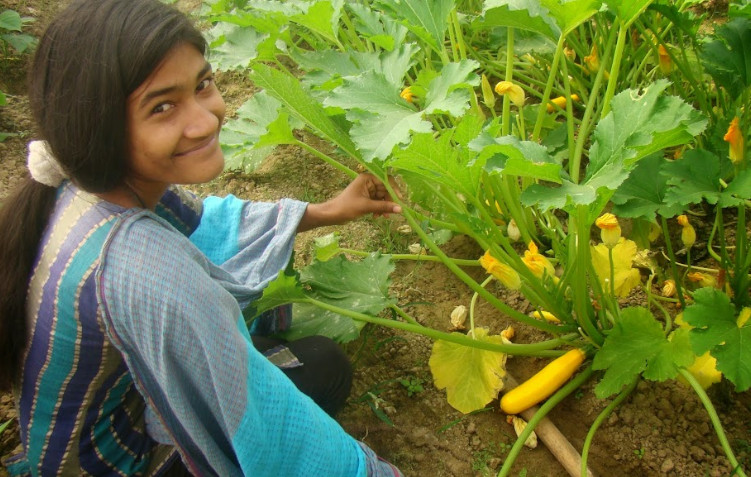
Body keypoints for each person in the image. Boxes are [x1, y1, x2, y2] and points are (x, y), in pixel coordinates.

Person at [0, 0, 404, 475]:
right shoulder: (152, 275)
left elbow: (208, 223)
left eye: (202, 85)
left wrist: (326, 212)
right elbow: (267, 421)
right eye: (162, 107)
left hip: (79, 435)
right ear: (101, 127)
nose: (206, 120)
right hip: (123, 464)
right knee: (320, 369)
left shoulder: (78, 184)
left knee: (298, 359)